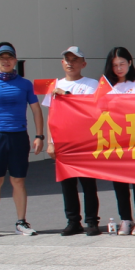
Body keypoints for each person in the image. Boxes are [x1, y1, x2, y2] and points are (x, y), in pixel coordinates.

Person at [0, 42, 43, 239]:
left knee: (18, 180)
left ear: (15, 60)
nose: (6, 61)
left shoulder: (25, 84)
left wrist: (39, 136)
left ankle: (21, 222)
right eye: (2, 58)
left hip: (18, 136)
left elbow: (36, 110)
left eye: (9, 58)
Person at [43, 46, 100, 236]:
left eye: (75, 60)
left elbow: (92, 110)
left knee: (88, 184)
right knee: (67, 184)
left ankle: (91, 221)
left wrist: (67, 97)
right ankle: (73, 221)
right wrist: (50, 142)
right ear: (62, 63)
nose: (70, 63)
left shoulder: (91, 84)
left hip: (85, 141)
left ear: (83, 64)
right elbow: (51, 116)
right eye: (67, 59)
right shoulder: (54, 85)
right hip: (63, 142)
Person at [102, 47, 135, 235]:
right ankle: (125, 219)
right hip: (116, 140)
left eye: (122, 64)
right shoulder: (106, 86)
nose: (119, 68)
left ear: (130, 63)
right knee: (119, 181)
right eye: (115, 65)